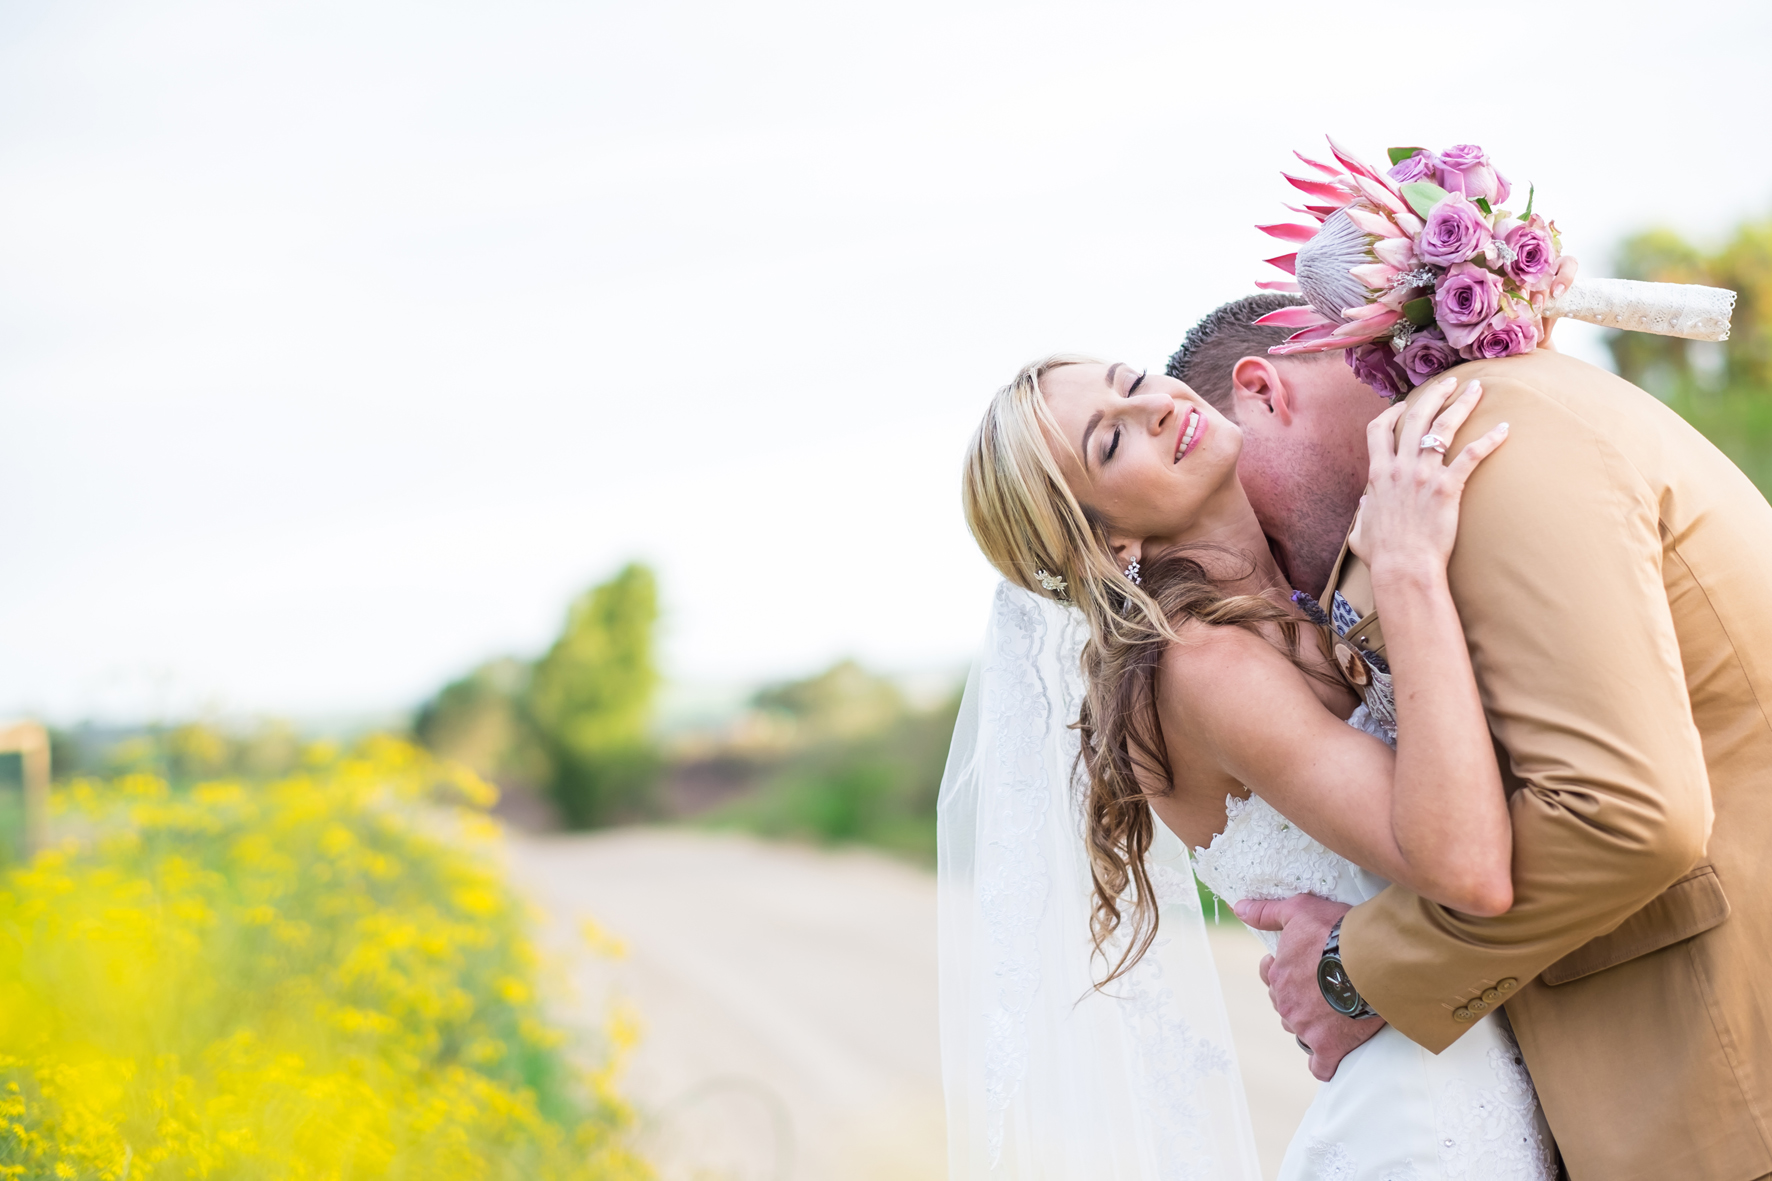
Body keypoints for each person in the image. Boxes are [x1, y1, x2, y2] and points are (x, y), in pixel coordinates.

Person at [1190, 298, 1772, 1179]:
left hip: (1728, 1083)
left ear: (1262, 392)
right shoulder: (1456, 466)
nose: (1281, 579)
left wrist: (1356, 970)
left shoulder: (1492, 444)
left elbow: (1626, 814)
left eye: (1256, 528)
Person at [952, 355, 1556, 1179]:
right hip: (1426, 1129)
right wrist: (1410, 566)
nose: (1157, 409)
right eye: (1110, 441)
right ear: (1108, 539)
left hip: (1489, 1068)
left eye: (1132, 383)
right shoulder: (1200, 666)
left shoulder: (1288, 597)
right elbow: (1466, 867)